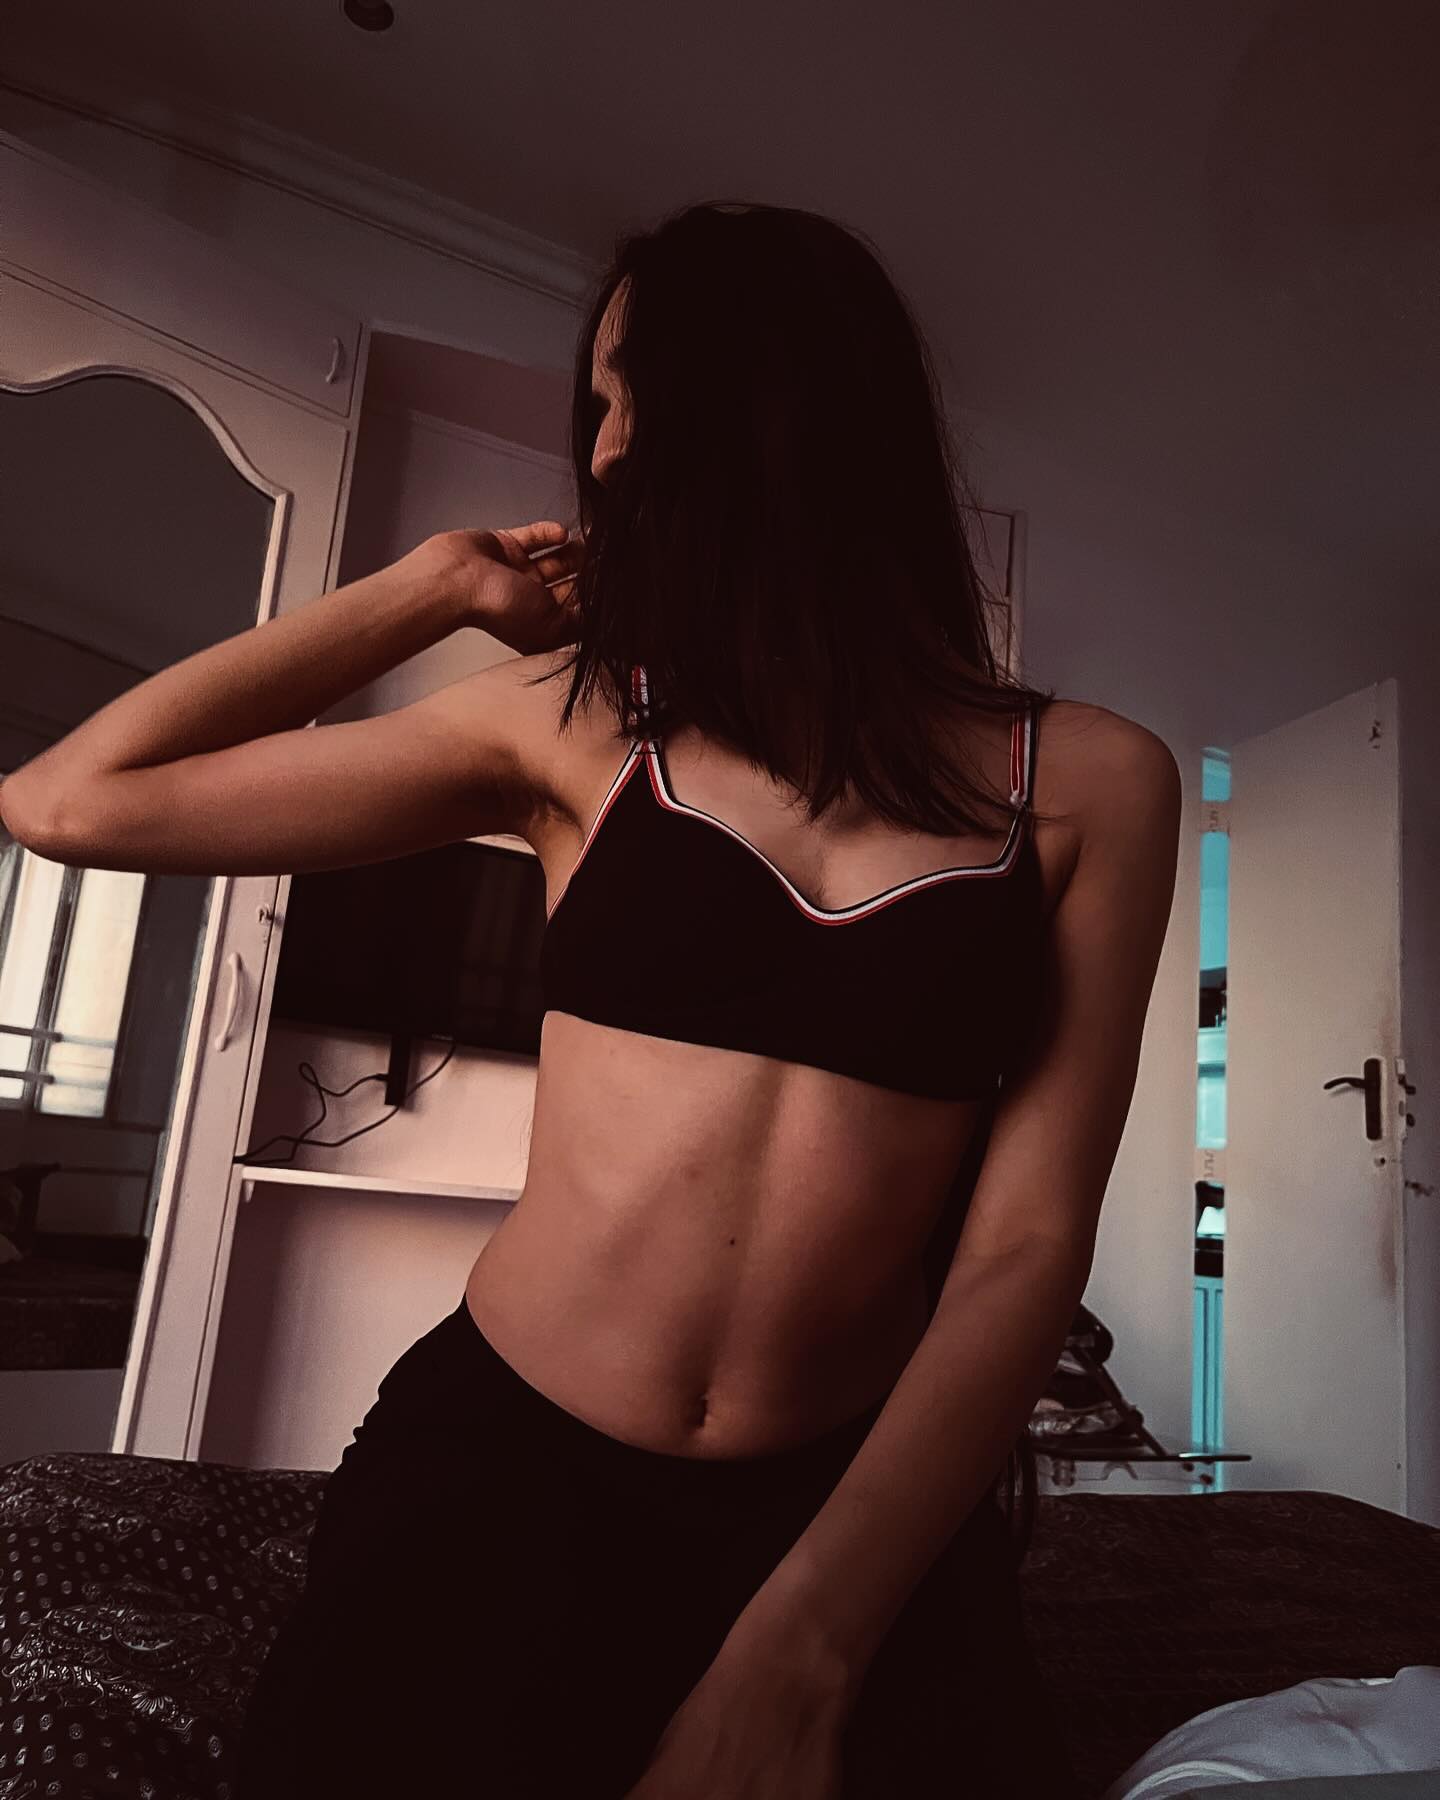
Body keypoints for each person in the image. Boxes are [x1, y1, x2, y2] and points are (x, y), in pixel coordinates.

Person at [0, 201, 1182, 1798]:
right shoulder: (570, 726)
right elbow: (66, 800)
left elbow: (1026, 1248)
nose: (607, 452)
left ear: (774, 409)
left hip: (848, 1507)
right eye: (599, 408)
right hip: (507, 1466)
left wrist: (804, 1647)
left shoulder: (1095, 784)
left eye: (634, 397)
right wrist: (427, 589)